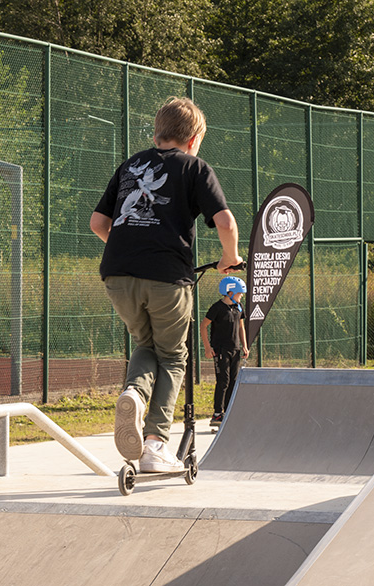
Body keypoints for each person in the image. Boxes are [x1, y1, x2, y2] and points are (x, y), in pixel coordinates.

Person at [90, 97, 242, 473]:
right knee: (174, 356)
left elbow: (98, 222)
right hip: (166, 277)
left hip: (117, 274)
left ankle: (133, 393)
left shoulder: (130, 165)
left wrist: (131, 247)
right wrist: (230, 258)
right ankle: (155, 443)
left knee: (147, 345)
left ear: (159, 133)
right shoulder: (195, 167)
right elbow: (224, 221)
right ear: (192, 139)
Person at [201, 276, 249, 427]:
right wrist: (207, 348)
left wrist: (245, 346)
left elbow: (241, 327)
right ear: (229, 292)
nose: (241, 296)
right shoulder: (217, 308)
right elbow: (203, 326)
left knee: (233, 382)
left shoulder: (238, 307)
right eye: (239, 293)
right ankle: (217, 414)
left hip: (235, 349)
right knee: (223, 381)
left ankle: (227, 412)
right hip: (220, 349)